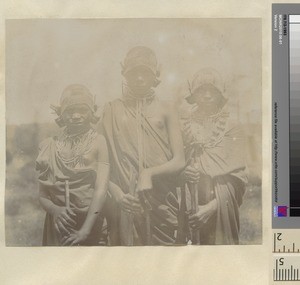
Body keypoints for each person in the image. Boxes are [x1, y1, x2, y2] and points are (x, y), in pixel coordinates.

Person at [100, 46, 185, 245]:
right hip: (124, 202)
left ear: (155, 75)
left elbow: (180, 160)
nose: (139, 78)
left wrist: (148, 173)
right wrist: (117, 193)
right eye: (133, 73)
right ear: (125, 74)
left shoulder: (166, 110)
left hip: (161, 200)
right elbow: (101, 164)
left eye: (145, 72)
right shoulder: (111, 110)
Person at [180, 68, 248, 245]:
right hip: (190, 202)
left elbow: (238, 180)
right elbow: (176, 164)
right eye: (202, 90)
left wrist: (210, 209)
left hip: (220, 205)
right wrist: (184, 171)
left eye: (213, 90)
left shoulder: (233, 127)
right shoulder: (184, 126)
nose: (207, 95)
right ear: (193, 94)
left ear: (220, 94)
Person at [36, 84, 109, 246]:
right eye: (70, 111)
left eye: (82, 110)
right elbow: (42, 195)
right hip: (59, 225)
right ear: (61, 114)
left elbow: (101, 190)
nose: (76, 116)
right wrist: (55, 210)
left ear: (91, 112)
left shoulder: (99, 141)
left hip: (91, 223)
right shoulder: (49, 146)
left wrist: (85, 230)